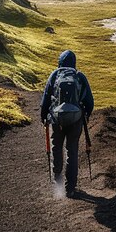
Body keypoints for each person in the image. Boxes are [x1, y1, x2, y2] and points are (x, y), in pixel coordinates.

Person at [40, 50, 94, 197]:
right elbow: (90, 100)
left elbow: (45, 98)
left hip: (56, 119)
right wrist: (87, 115)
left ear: (60, 62)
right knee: (72, 151)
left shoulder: (55, 75)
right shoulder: (79, 76)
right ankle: (70, 188)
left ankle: (58, 183)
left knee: (56, 147)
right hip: (76, 119)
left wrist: (43, 117)